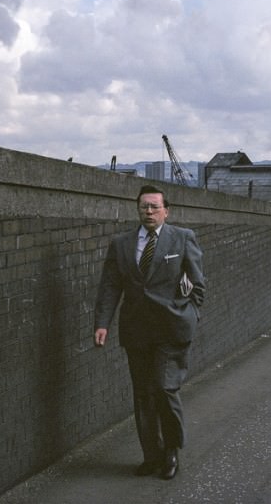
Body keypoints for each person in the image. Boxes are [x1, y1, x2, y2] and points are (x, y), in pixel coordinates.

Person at [94, 185, 206, 480]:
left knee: (164, 388)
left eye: (155, 206)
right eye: (144, 206)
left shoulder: (182, 238)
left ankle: (171, 451)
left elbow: (198, 284)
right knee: (143, 394)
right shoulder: (121, 244)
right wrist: (102, 323)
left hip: (172, 329)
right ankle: (151, 455)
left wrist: (191, 315)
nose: (149, 211)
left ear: (166, 211)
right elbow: (110, 286)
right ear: (137, 209)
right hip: (137, 331)